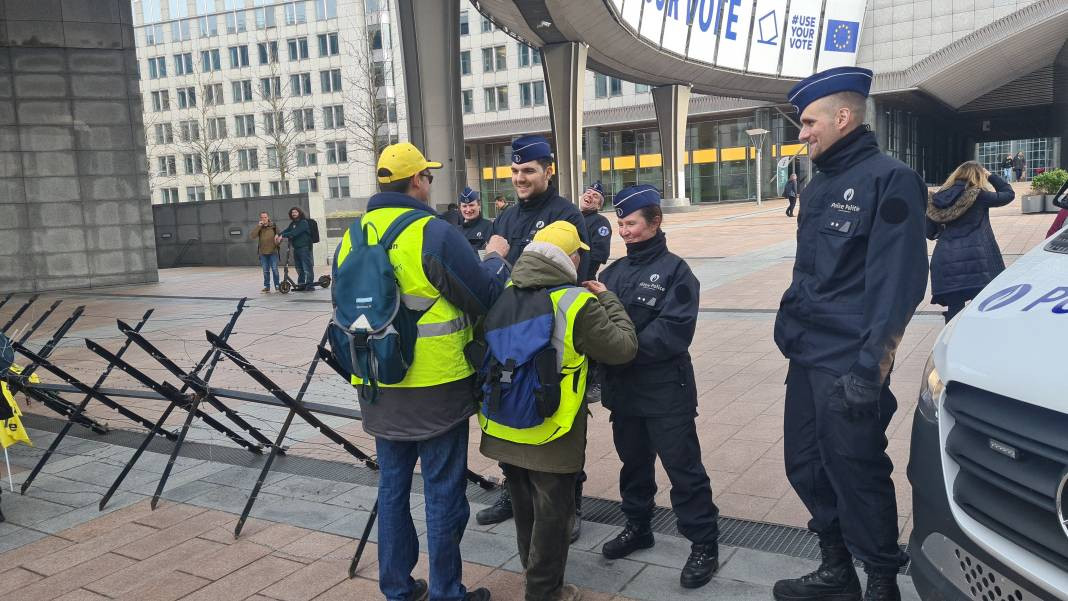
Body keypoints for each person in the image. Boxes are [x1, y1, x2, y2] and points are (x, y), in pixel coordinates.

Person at [773, 67, 928, 601]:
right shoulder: (819, 187)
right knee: (806, 465)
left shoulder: (891, 179)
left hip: (850, 364)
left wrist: (871, 368)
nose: (803, 132)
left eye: (809, 121)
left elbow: (899, 284)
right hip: (808, 356)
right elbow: (811, 272)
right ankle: (836, 568)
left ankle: (881, 580)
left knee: (857, 470)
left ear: (843, 117)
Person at [339, 142, 511, 601]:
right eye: (428, 176)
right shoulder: (432, 233)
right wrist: (494, 256)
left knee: (392, 486)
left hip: (378, 382)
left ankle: (396, 586)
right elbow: (484, 294)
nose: (430, 183)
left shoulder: (354, 235)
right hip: (436, 387)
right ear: (417, 180)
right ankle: (446, 593)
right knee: (441, 491)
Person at [479, 221, 638, 601]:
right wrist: (609, 299)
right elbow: (623, 348)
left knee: (524, 508)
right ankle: (544, 592)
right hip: (553, 428)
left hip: (502, 421)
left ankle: (534, 577)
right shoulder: (576, 301)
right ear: (570, 258)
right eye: (579, 254)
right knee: (553, 517)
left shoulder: (504, 291)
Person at [597, 185, 720, 590]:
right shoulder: (610, 275)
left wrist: (619, 349)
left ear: (655, 221)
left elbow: (673, 333)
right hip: (625, 392)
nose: (624, 232)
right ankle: (638, 526)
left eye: (631, 223)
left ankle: (703, 543)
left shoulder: (677, 272)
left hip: (667, 391)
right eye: (620, 224)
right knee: (633, 465)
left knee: (683, 470)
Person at [478, 134, 591, 528]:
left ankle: (569, 506)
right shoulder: (505, 218)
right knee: (511, 413)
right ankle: (514, 492)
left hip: (550, 338)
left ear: (549, 170)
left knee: (559, 420)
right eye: (515, 171)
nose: (520, 178)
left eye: (528, 170)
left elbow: (578, 275)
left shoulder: (566, 215)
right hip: (511, 337)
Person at [926, 162, 1015, 323]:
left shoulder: (937, 199)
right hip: (976, 259)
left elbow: (929, 232)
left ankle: (952, 343)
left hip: (945, 260)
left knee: (954, 310)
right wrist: (991, 176)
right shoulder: (979, 195)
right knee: (980, 307)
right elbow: (1008, 194)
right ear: (979, 176)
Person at [579, 181, 612, 282]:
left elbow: (599, 254)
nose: (590, 195)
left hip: (583, 278)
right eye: (588, 192)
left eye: (595, 196)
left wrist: (585, 276)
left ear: (599, 206)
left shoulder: (601, 222)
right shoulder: (573, 216)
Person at [276, 207, 315, 291]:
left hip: (304, 247)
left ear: (299, 213)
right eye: (292, 212)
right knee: (299, 267)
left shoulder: (303, 222)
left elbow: (295, 232)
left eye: (295, 212)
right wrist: (279, 234)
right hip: (296, 248)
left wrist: (282, 236)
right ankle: (301, 284)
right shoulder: (293, 223)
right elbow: (287, 230)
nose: (294, 214)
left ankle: (310, 285)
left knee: (307, 267)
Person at [250, 211, 280, 292]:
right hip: (263, 253)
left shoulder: (274, 226)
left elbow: (280, 236)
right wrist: (258, 226)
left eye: (265, 217)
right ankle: (267, 287)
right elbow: (252, 236)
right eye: (262, 217)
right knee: (265, 271)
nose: (264, 219)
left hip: (273, 252)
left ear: (268, 217)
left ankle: (277, 286)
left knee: (274, 270)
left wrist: (278, 237)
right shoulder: (260, 228)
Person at [459, 187, 493, 252]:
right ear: (460, 208)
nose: (468, 210)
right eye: (464, 206)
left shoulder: (489, 227)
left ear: (479, 205)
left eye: (471, 205)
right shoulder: (457, 230)